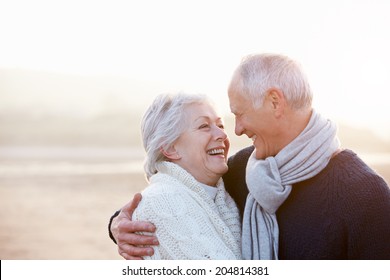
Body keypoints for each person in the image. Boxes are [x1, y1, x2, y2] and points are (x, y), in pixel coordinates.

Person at [109, 53, 390, 260]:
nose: (238, 130)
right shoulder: (243, 169)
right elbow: (179, 194)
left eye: (239, 115)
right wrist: (118, 225)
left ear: (274, 102)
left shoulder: (365, 195)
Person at [112, 92, 242, 259]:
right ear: (170, 148)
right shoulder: (162, 200)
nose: (222, 135)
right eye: (204, 126)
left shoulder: (222, 194)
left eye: (221, 125)